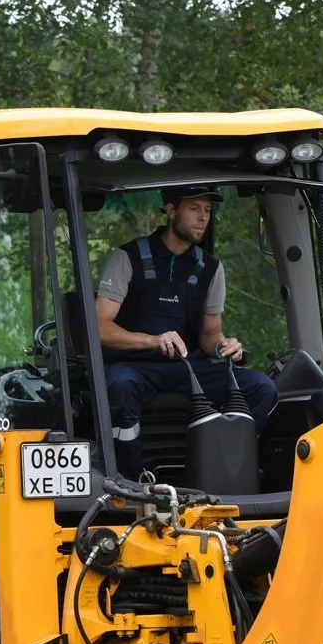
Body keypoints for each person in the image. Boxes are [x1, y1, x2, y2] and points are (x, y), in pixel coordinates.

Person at [95, 185, 278, 478]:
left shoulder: (211, 268)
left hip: (187, 368)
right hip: (134, 367)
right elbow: (99, 327)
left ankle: (227, 471)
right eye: (194, 209)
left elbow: (209, 336)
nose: (203, 217)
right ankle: (126, 481)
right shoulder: (127, 257)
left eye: (207, 210)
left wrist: (225, 346)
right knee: (120, 385)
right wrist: (153, 341)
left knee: (261, 388)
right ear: (171, 211)